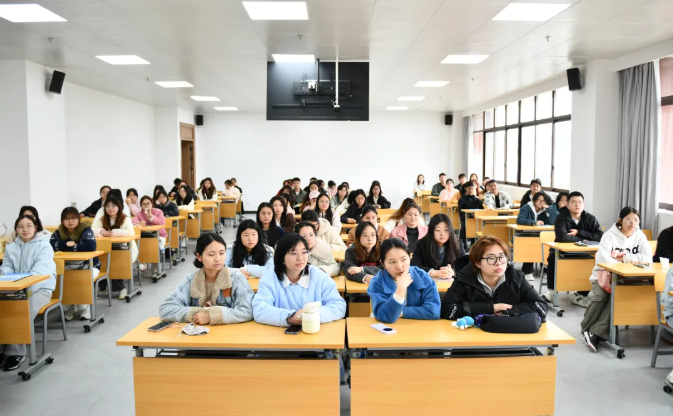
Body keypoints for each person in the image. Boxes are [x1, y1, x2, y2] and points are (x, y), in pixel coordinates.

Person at [581, 207, 652, 352]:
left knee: (617, 297)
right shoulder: (609, 235)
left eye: (636, 220)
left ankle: (596, 333)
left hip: (626, 279)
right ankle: (586, 328)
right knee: (601, 297)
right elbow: (603, 259)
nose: (632, 223)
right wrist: (625, 264)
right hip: (602, 276)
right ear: (621, 220)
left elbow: (648, 258)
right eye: (629, 219)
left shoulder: (640, 236)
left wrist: (625, 258)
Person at [440, 236, 548, 321]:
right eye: (491, 258)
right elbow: (446, 309)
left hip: (509, 336)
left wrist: (507, 311)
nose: (498, 263)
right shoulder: (464, 278)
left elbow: (541, 307)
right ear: (478, 263)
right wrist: (491, 308)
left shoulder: (516, 278)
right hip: (473, 338)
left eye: (502, 256)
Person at [252, 234, 346, 327]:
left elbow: (338, 306)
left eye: (304, 252)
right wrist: (289, 317)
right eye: (293, 253)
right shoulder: (269, 278)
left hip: (314, 332)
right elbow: (259, 309)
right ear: (281, 256)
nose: (300, 258)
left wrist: (311, 315)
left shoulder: (319, 276)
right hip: (279, 334)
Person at [0, 215, 56, 371]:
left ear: (35, 227)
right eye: (20, 226)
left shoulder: (44, 246)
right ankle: (2, 350)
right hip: (15, 289)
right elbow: (6, 269)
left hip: (40, 290)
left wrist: (23, 290)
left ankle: (16, 352)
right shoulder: (11, 247)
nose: (25, 229)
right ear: (16, 229)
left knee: (21, 311)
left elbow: (40, 273)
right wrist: (13, 288)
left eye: (29, 225)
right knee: (3, 310)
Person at [159, 233, 253, 325]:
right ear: (199, 256)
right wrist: (198, 314)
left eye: (221, 253)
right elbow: (166, 308)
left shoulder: (236, 278)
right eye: (211, 254)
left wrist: (211, 316)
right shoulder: (190, 280)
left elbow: (247, 310)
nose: (218, 259)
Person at [543, 191, 603, 307]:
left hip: (583, 252)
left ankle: (580, 294)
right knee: (553, 257)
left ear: (584, 204)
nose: (577, 205)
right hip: (561, 251)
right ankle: (552, 291)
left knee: (591, 262)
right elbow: (562, 237)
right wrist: (583, 239)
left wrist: (580, 232)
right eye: (574, 202)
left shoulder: (590, 218)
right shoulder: (561, 217)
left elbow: (600, 236)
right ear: (568, 205)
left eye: (580, 202)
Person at [369, 238, 441, 323]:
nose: (399, 267)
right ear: (383, 264)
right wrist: (400, 289)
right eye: (392, 262)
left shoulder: (422, 276)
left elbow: (434, 312)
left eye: (403, 259)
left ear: (409, 258)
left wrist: (400, 312)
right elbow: (386, 316)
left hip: (418, 328)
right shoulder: (377, 282)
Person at [50, 207, 99, 320]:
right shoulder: (59, 232)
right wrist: (66, 244)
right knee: (62, 279)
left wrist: (71, 247)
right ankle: (69, 307)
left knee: (80, 279)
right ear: (62, 221)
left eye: (73, 218)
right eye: (67, 219)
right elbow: (51, 245)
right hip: (67, 266)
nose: (70, 221)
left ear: (78, 219)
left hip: (89, 266)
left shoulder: (86, 230)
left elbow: (91, 246)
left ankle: (84, 306)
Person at [92, 196, 137, 298]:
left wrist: (116, 232)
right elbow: (92, 230)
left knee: (114, 262)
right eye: (107, 206)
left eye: (113, 206)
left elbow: (131, 232)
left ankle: (121, 288)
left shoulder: (125, 219)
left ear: (119, 207)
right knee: (102, 261)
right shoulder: (102, 219)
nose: (110, 208)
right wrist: (102, 232)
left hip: (123, 249)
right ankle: (102, 286)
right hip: (106, 249)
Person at [411, 214, 464, 278]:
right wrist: (433, 272)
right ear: (431, 231)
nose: (442, 234)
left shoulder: (458, 244)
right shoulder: (422, 244)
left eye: (446, 230)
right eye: (438, 230)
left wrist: (453, 272)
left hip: (452, 283)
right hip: (428, 282)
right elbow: (414, 266)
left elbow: (466, 267)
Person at [133, 196, 168, 272]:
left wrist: (151, 217)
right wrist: (139, 223)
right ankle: (144, 262)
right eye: (144, 204)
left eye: (148, 203)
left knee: (154, 245)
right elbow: (133, 223)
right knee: (141, 245)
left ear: (152, 203)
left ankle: (155, 267)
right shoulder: (139, 214)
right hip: (144, 238)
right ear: (141, 205)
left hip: (159, 236)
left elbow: (162, 222)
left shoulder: (158, 211)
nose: (146, 205)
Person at [457, 181, 484, 248]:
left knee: (480, 226)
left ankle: (476, 244)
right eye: (469, 188)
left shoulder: (478, 200)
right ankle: (463, 246)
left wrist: (477, 215)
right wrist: (471, 215)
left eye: (472, 188)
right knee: (464, 226)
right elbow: (461, 212)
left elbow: (482, 210)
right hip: (466, 218)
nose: (471, 190)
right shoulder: (461, 200)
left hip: (477, 218)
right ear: (465, 188)